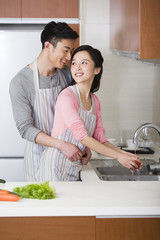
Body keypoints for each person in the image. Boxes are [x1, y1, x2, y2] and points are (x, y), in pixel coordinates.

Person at [37, 45, 141, 181]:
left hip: (75, 165)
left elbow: (100, 138)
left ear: (97, 69)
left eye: (84, 63)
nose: (77, 67)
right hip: (54, 165)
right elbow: (82, 136)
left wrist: (124, 154)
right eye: (74, 63)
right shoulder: (67, 96)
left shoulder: (95, 101)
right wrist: (118, 156)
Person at [9, 22, 91, 181]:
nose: (69, 57)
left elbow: (79, 113)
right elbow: (26, 129)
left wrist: (85, 144)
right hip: (38, 158)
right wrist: (61, 145)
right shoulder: (21, 82)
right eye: (66, 50)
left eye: (71, 51)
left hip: (69, 158)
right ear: (48, 46)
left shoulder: (67, 74)